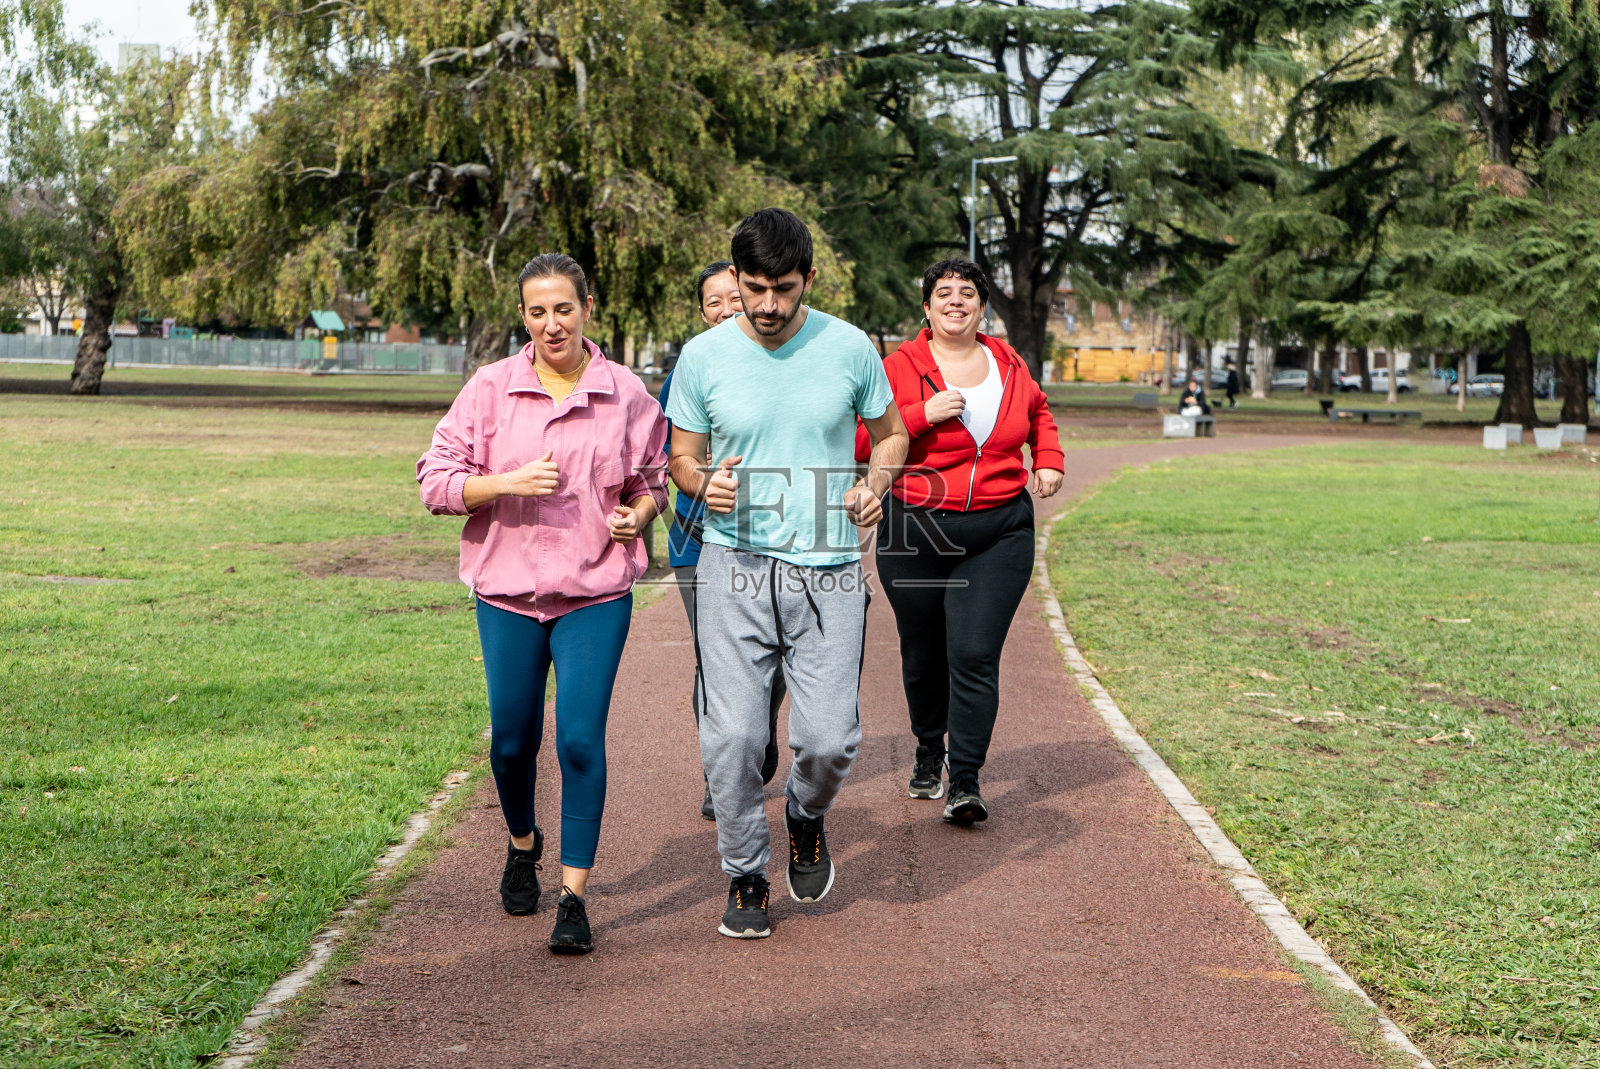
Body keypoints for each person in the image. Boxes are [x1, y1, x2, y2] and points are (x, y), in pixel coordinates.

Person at [666, 208, 908, 940]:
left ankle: (805, 814)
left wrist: (877, 482)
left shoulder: (848, 347)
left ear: (810, 280)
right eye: (754, 288)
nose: (769, 306)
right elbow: (681, 456)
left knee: (831, 740)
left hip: (830, 568)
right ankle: (744, 872)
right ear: (734, 278)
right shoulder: (703, 355)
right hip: (733, 564)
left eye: (785, 289)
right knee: (734, 738)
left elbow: (892, 433)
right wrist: (702, 484)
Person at [417, 254, 668, 956]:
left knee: (580, 739)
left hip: (594, 593)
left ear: (589, 307)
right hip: (507, 595)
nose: (551, 323)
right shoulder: (490, 389)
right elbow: (434, 482)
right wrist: (503, 483)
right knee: (511, 742)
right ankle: (523, 842)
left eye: (564, 308)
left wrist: (638, 515)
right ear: (523, 316)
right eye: (537, 311)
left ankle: (573, 896)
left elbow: (651, 482)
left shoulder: (627, 393)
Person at [861, 259, 1064, 825]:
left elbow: (1039, 411)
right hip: (915, 529)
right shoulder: (898, 366)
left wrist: (1047, 459)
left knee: (973, 654)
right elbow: (861, 434)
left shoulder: (1007, 360)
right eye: (943, 293)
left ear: (981, 306)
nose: (956, 301)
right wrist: (920, 414)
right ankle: (929, 745)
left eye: (967, 293)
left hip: (998, 530)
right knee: (924, 652)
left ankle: (966, 779)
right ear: (926, 308)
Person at [657, 262, 787, 821]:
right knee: (717, 659)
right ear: (701, 311)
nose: (727, 309)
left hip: (774, 532)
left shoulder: (779, 361)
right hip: (697, 535)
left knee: (777, 659)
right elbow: (666, 453)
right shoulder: (690, 367)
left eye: (736, 298)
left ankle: (755, 736)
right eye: (714, 302)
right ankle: (721, 771)